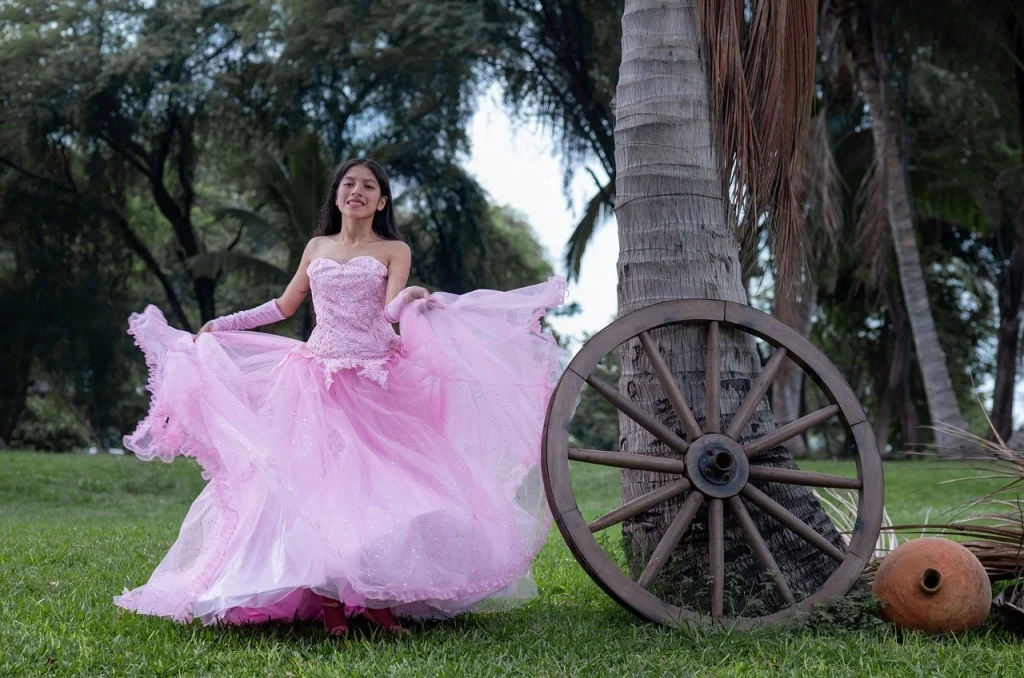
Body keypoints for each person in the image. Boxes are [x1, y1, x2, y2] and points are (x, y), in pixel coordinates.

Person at [115, 158, 567, 635]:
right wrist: (223, 324)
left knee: (383, 492)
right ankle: (331, 604)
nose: (357, 191)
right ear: (336, 196)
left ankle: (377, 599)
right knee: (321, 492)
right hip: (315, 380)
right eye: (349, 184)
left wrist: (413, 295)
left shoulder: (394, 248)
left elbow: (391, 309)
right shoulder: (317, 247)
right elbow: (285, 306)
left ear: (381, 201)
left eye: (368, 186)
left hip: (375, 381)